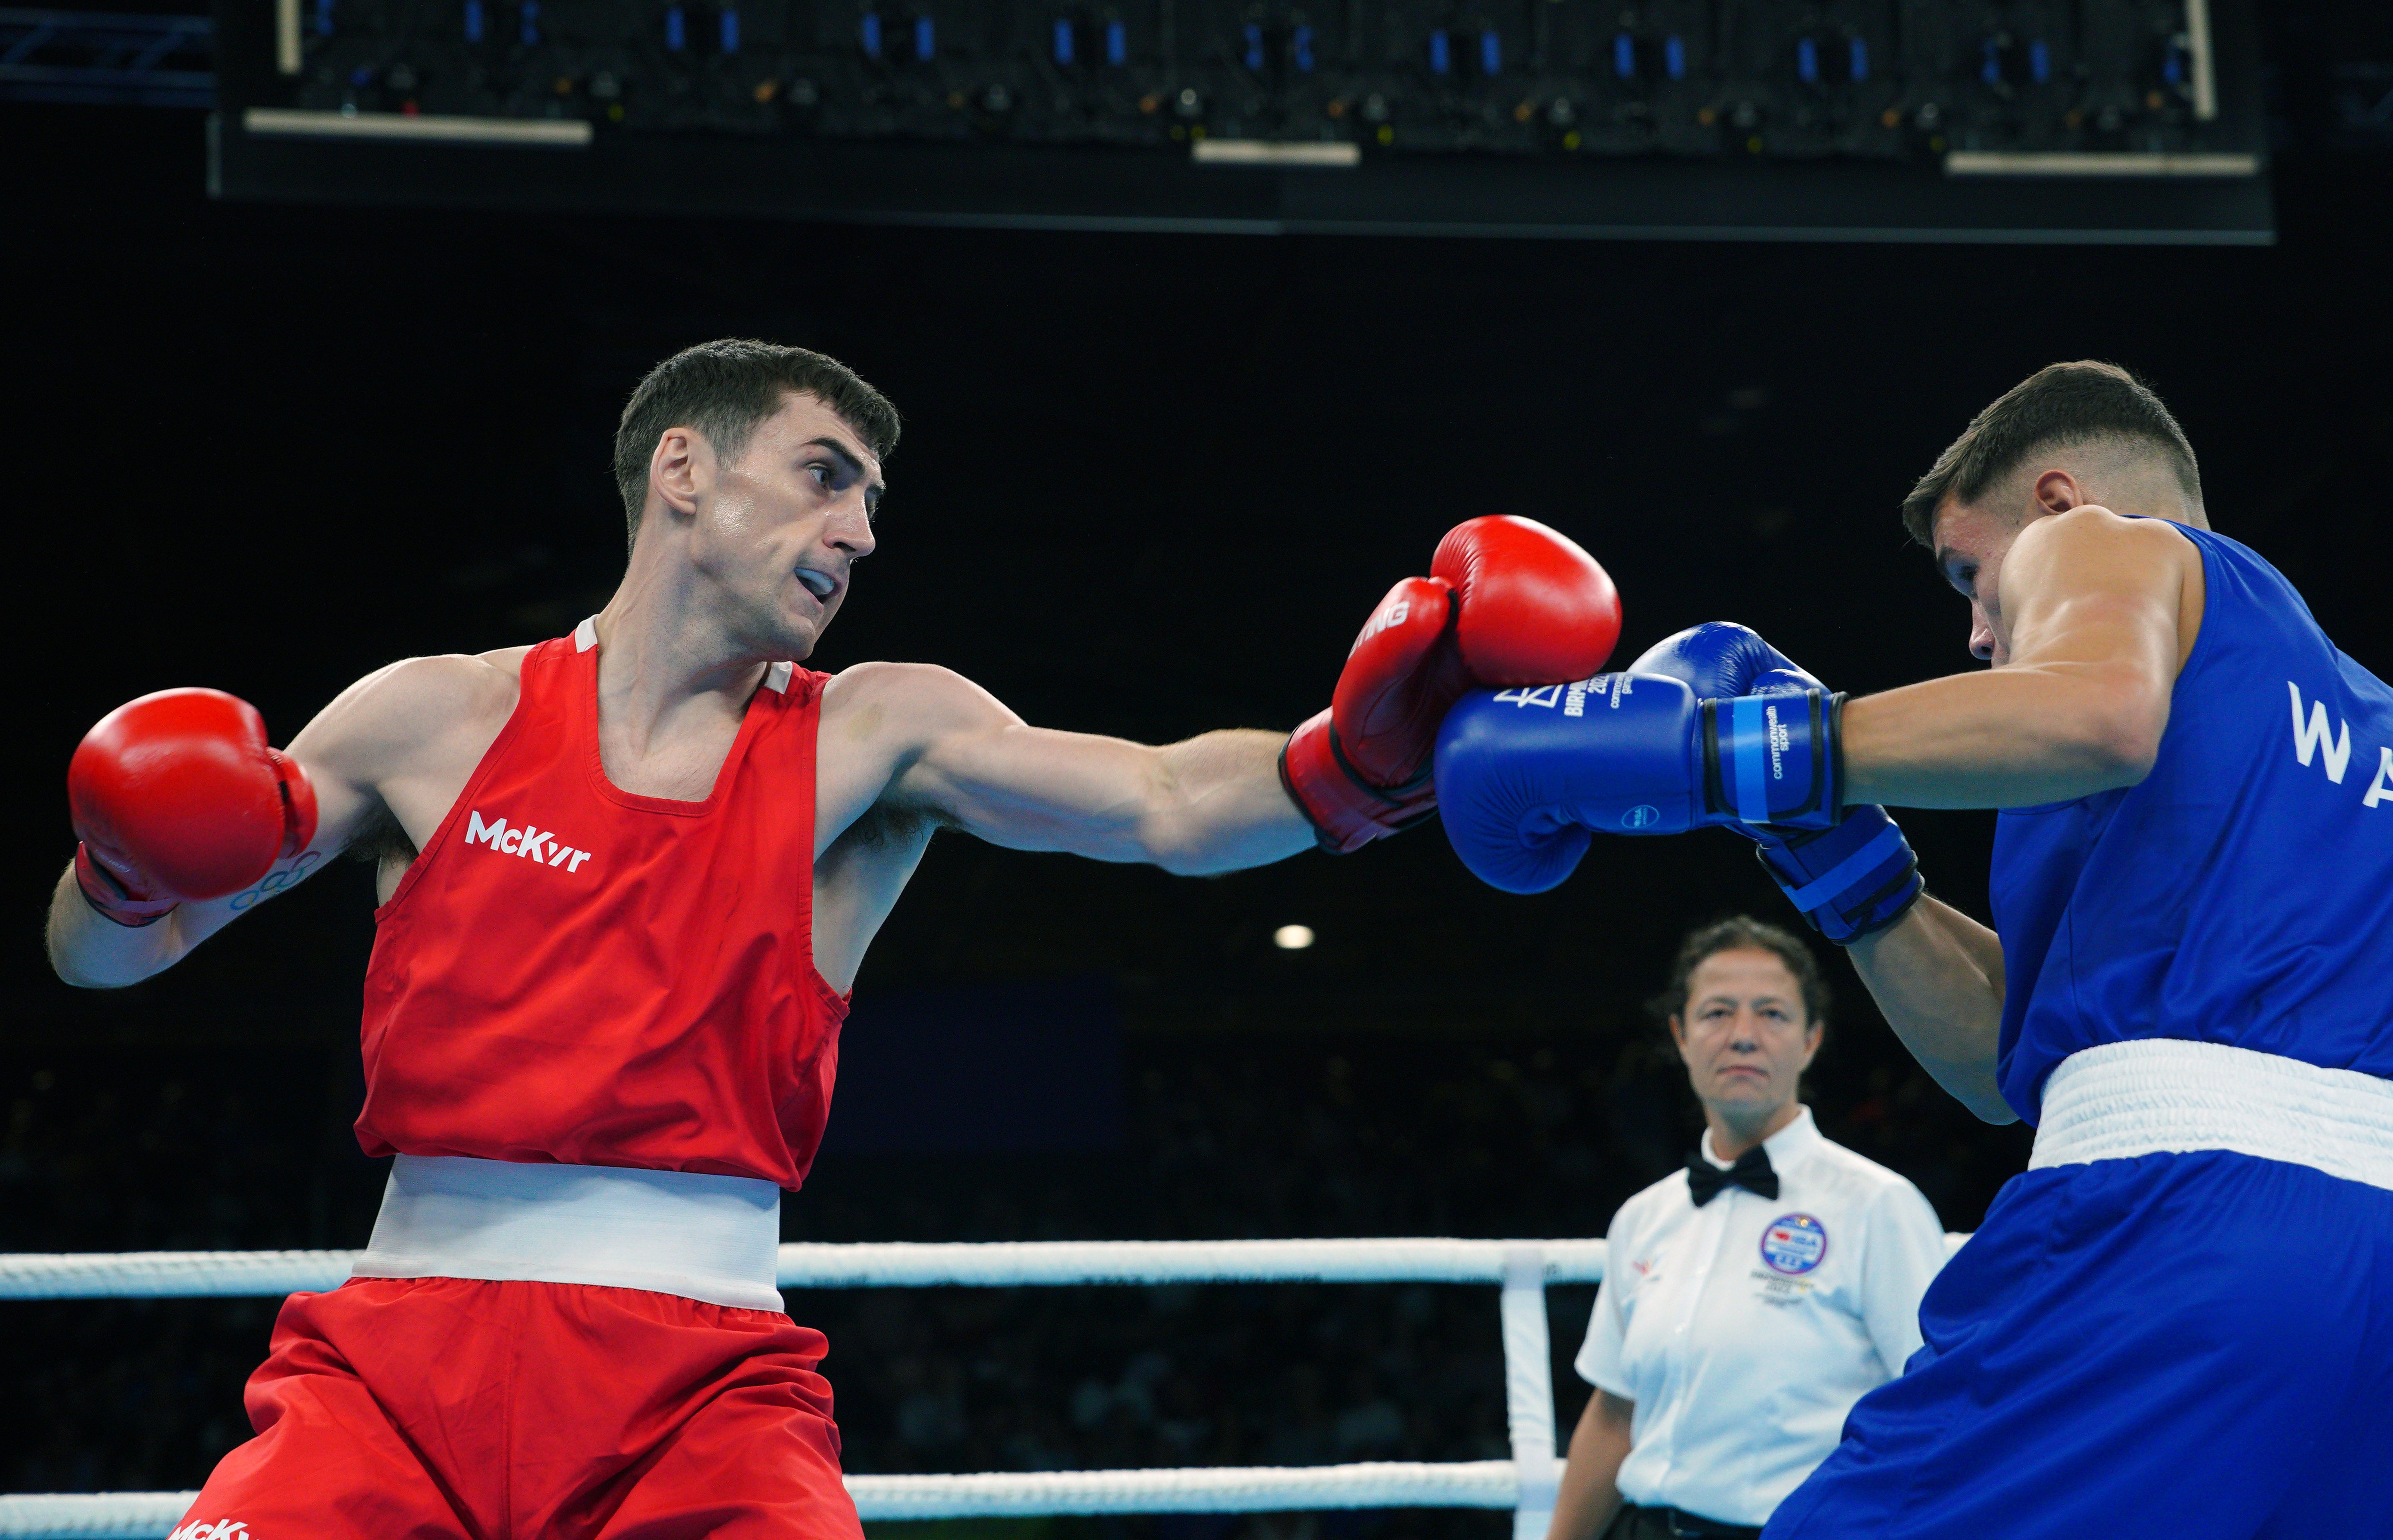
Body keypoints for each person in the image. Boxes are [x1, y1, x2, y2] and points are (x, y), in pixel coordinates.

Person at [48, 339, 1623, 1540]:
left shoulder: (874, 736)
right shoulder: (432, 717)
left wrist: (1348, 764)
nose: (860, 529)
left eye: (873, 496)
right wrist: (128, 867)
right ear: (684, 470)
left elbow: (1162, 805)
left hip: (701, 1388)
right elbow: (108, 958)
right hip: (390, 1371)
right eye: (823, 473)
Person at [1436, 360, 2393, 1539]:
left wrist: (1725, 750)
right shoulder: (2359, 718)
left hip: (2175, 1226)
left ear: (2053, 502)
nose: (1980, 631)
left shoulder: (2103, 540)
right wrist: (1839, 856)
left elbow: (2095, 709)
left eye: (1969, 573)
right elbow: (2007, 1064)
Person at [1550, 917, 1946, 1540]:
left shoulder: (1877, 1207)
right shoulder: (1643, 1217)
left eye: (1771, 1014)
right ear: (1680, 1036)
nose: (1742, 1037)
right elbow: (1614, 1414)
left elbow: (1934, 1410)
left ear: (1811, 1040)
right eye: (1716, 1013)